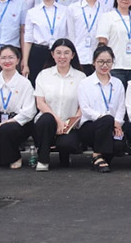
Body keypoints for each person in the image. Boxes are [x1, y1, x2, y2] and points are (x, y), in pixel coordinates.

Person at [0, 45, 36, 169]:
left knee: (7, 129)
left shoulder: (25, 83)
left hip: (19, 122)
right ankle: (5, 154)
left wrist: (4, 124)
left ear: (17, 60)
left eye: (11, 57)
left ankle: (15, 157)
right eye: (3, 58)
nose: (7, 61)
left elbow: (29, 112)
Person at [32, 38, 85, 171]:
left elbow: (82, 106)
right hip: (47, 124)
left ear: (72, 55)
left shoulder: (81, 77)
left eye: (66, 53)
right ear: (52, 54)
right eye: (58, 53)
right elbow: (40, 103)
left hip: (69, 126)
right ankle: (43, 159)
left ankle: (64, 156)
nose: (62, 57)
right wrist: (58, 122)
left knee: (67, 144)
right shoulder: (44, 75)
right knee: (46, 119)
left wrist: (68, 125)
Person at [77, 46, 126, 173]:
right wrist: (107, 120)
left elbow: (121, 107)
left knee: (119, 146)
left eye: (108, 62)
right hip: (90, 126)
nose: (104, 65)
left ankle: (99, 159)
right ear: (94, 62)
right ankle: (96, 155)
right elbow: (85, 109)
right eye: (100, 62)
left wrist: (117, 123)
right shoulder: (85, 83)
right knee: (107, 119)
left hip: (112, 126)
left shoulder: (117, 83)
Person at [22, 0, 68, 85]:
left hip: (59, 53)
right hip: (38, 52)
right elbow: (28, 39)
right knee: (37, 83)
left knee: (58, 83)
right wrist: (25, 62)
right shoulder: (32, 12)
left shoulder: (65, 11)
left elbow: (69, 35)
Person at [66, 0, 103, 74]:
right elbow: (70, 34)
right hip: (78, 56)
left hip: (98, 58)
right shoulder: (73, 8)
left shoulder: (105, 9)